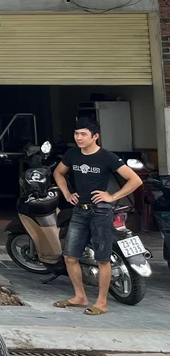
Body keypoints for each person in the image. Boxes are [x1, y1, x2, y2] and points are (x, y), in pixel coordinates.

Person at [52, 118, 143, 316]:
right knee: (69, 256)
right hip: (79, 211)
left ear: (95, 136)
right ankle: (79, 297)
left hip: (100, 211)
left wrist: (112, 197)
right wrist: (67, 193)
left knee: (103, 258)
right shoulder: (72, 154)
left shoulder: (107, 157)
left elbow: (135, 180)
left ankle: (101, 302)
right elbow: (58, 173)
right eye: (76, 134)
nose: (78, 138)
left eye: (83, 134)